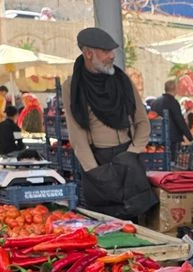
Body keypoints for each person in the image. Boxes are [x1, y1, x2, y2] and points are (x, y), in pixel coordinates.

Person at [61, 26, 150, 172]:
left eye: (112, 51)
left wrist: (133, 152)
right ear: (88, 53)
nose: (112, 56)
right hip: (98, 160)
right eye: (106, 51)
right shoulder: (72, 86)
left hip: (129, 155)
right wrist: (94, 171)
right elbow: (77, 135)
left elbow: (142, 122)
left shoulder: (122, 80)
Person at [150, 79, 193, 151]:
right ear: (175, 89)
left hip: (157, 138)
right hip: (172, 139)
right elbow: (179, 121)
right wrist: (190, 138)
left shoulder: (155, 102)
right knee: (172, 160)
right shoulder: (173, 102)